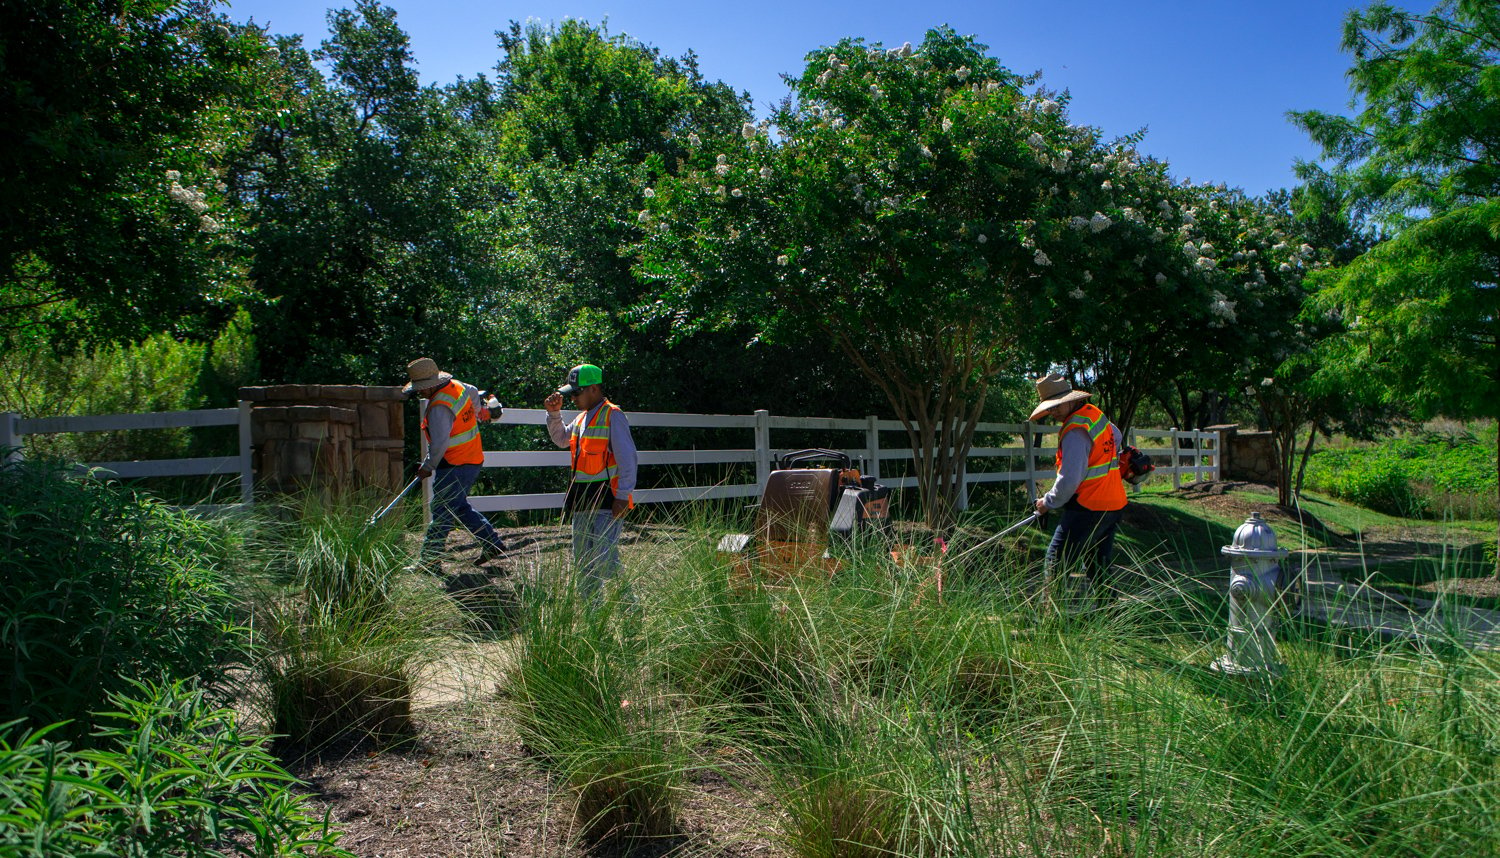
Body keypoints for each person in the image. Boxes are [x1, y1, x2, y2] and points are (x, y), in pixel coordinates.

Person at [543, 363, 638, 599]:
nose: (573, 398)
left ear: (593, 389)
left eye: (576, 393)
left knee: (606, 559)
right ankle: (592, 618)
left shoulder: (613, 415)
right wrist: (554, 414)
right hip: (582, 499)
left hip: (607, 499)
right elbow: (562, 439)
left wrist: (623, 496)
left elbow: (628, 459)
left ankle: (630, 611)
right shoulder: (582, 418)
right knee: (584, 562)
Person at [403, 357, 507, 570]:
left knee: (441, 510)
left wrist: (427, 467)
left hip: (455, 463)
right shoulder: (456, 386)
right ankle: (491, 542)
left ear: (430, 384)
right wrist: (478, 411)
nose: (419, 392)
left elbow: (440, 445)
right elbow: (473, 389)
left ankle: (429, 561)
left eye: (421, 388)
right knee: (457, 506)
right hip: (471, 458)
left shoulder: (439, 407)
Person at [1030, 373, 1127, 596]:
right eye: (1050, 407)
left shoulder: (1075, 430)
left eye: (1058, 406)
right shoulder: (1095, 416)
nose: (1053, 411)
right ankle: (1110, 616)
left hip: (1087, 506)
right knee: (1099, 567)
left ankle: (1049, 623)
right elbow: (1117, 436)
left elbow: (1070, 479)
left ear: (1072, 400)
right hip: (1112, 504)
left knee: (1055, 563)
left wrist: (1047, 502)